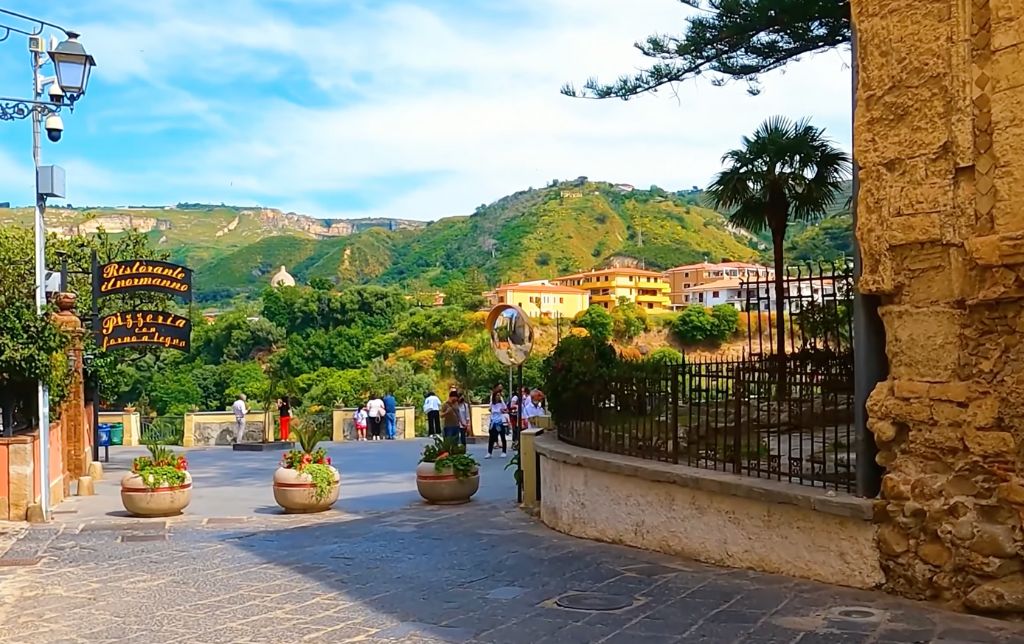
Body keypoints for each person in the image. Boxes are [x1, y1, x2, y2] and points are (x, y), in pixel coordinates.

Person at [487, 384, 508, 459]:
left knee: (503, 437)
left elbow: (505, 409)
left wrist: (502, 408)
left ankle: (504, 451)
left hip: (500, 421)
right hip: (493, 422)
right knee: (491, 438)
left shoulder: (501, 403)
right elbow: (489, 409)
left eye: (499, 395)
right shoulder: (492, 403)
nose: (498, 396)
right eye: (497, 395)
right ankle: (489, 452)